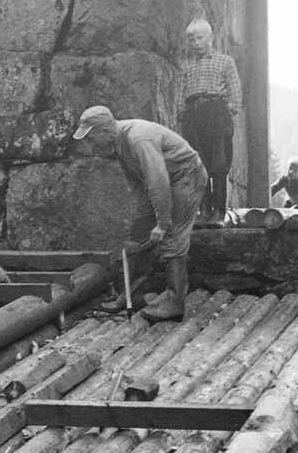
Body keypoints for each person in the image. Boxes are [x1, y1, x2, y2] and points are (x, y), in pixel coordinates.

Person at [73, 106, 208, 321]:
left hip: (186, 175)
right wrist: (144, 220)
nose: (90, 144)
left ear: (105, 131)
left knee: (173, 237)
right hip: (165, 179)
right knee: (138, 235)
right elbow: (136, 184)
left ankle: (175, 303)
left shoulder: (137, 140)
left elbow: (158, 181)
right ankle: (131, 295)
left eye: (91, 137)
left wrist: (162, 223)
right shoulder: (117, 145)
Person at [178, 18, 241, 229]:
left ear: (210, 38)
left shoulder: (225, 61)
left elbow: (235, 95)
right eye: (191, 39)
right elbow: (181, 94)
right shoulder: (185, 66)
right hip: (193, 114)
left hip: (216, 112)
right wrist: (184, 115)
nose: (196, 43)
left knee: (219, 163)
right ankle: (203, 211)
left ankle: (219, 212)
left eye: (200, 38)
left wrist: (223, 113)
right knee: (198, 164)